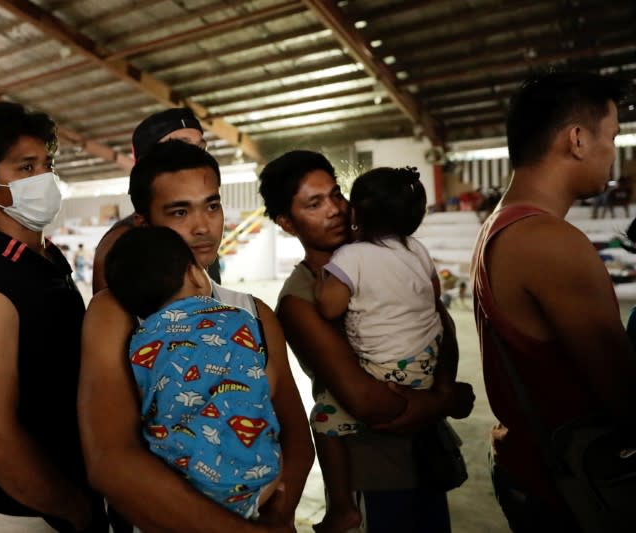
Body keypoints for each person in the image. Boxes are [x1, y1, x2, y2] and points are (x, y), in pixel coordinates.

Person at [79, 140, 313, 533]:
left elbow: (295, 434)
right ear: (144, 223)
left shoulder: (253, 311)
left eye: (212, 205)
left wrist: (278, 513)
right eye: (179, 211)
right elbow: (110, 461)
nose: (203, 226)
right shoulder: (115, 312)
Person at [258, 150, 474, 533]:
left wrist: (438, 390)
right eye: (314, 203)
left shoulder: (392, 254)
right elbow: (365, 402)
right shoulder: (300, 299)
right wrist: (445, 398)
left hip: (424, 461)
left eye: (336, 194)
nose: (335, 210)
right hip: (372, 477)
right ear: (287, 223)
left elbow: (443, 325)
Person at [471, 71, 635, 532]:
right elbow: (625, 395)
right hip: (569, 486)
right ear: (578, 139)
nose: (613, 153)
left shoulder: (500, 225)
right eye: (612, 136)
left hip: (527, 465)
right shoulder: (550, 241)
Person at [0, 101, 100, 532]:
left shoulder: (44, 261)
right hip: (23, 513)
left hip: (68, 493)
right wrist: (72, 508)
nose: (45, 179)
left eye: (47, 165)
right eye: (26, 167)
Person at [105, 226, 284, 519]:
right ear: (197, 275)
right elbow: (269, 381)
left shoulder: (139, 342)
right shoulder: (241, 319)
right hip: (255, 480)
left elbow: (140, 402)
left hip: (180, 488)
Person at [311, 166, 455, 532]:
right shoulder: (417, 250)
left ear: (356, 214)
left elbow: (329, 307)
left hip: (384, 371)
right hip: (425, 364)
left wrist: (325, 279)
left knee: (324, 419)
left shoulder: (351, 257)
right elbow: (434, 298)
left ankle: (342, 506)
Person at [92, 106, 222, 292]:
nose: (195, 155)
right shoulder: (119, 244)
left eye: (201, 147)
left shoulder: (205, 235)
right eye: (180, 146)